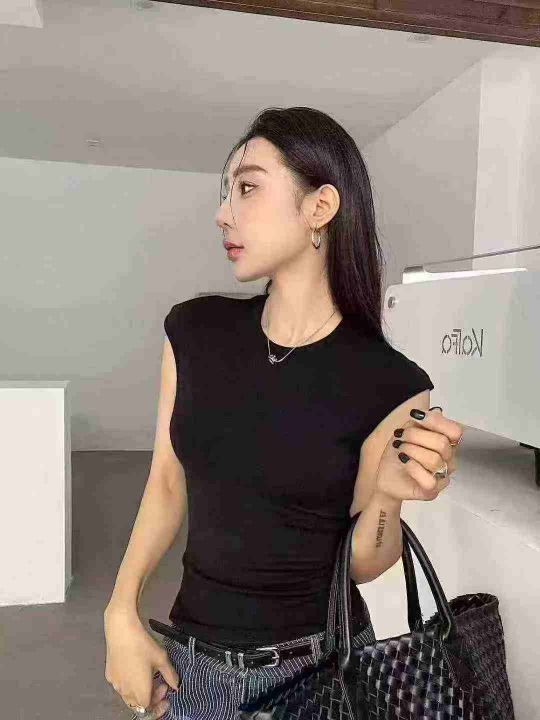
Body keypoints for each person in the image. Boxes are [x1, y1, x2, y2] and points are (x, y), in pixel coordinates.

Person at [103, 106, 463, 720]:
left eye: (247, 188)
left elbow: (365, 563)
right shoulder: (194, 331)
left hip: (320, 674)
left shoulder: (393, 383)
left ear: (320, 207)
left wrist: (387, 496)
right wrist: (120, 612)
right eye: (226, 193)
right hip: (191, 667)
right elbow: (166, 480)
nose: (223, 213)